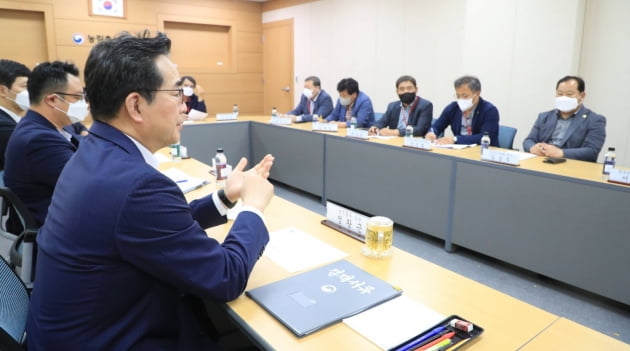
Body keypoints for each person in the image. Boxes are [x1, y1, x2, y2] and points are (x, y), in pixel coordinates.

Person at [26, 31, 275, 350]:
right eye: (177, 93)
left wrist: (225, 196)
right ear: (136, 105)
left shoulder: (94, 152)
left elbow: (160, 228)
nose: (185, 107)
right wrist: (253, 207)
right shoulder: (135, 185)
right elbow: (225, 277)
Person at [3, 61, 88, 226]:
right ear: (53, 100)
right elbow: (87, 182)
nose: (84, 103)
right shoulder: (37, 139)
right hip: (55, 229)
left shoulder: (51, 125)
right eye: (77, 97)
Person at [523, 76, 606, 162]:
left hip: (571, 165)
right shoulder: (544, 116)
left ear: (582, 96)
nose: (563, 98)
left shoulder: (595, 120)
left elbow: (592, 151)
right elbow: (529, 140)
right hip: (541, 161)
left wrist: (561, 153)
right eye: (560, 93)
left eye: (569, 94)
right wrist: (532, 148)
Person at [425, 76, 499, 146]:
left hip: (482, 151)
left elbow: (486, 137)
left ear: (477, 93)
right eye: (458, 96)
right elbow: (437, 126)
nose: (460, 99)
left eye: (464, 96)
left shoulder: (489, 110)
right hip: (459, 151)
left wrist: (455, 139)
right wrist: (431, 133)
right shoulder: (453, 108)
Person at [368, 75, 433, 137]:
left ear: (416, 89)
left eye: (409, 88)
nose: (406, 91)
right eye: (402, 89)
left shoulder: (425, 105)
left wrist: (394, 132)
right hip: (393, 142)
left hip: (412, 143)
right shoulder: (392, 106)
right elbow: (381, 122)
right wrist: (375, 127)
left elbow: (420, 130)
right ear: (397, 91)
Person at [0, 59, 31, 171]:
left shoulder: (16, 118)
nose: (31, 92)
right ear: (3, 90)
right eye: (25, 86)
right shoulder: (3, 127)